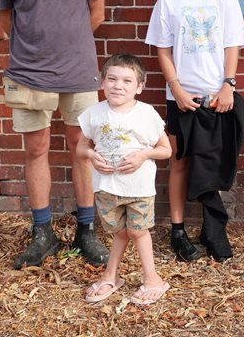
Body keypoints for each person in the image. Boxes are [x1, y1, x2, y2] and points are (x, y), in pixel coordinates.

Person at [0, 0, 110, 269]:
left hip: (79, 70)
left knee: (83, 150)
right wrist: (35, 46)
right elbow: (5, 16)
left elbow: (97, 13)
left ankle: (86, 231)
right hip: (28, 72)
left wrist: (67, 44)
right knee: (36, 149)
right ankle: (42, 234)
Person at [145, 0, 244, 262]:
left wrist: (228, 84)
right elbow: (162, 50)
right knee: (179, 162)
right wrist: (175, 87)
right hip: (181, 97)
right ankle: (177, 230)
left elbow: (232, 42)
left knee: (211, 163)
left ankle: (212, 229)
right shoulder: (169, 1)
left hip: (216, 97)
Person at [77, 54, 172, 305]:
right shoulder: (93, 113)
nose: (118, 85)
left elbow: (166, 150)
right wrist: (91, 156)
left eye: (127, 81)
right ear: (102, 82)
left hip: (138, 187)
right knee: (120, 232)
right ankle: (111, 276)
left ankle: (153, 279)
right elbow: (81, 147)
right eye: (112, 79)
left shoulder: (146, 114)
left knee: (138, 231)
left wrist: (143, 155)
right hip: (107, 187)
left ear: (139, 87)